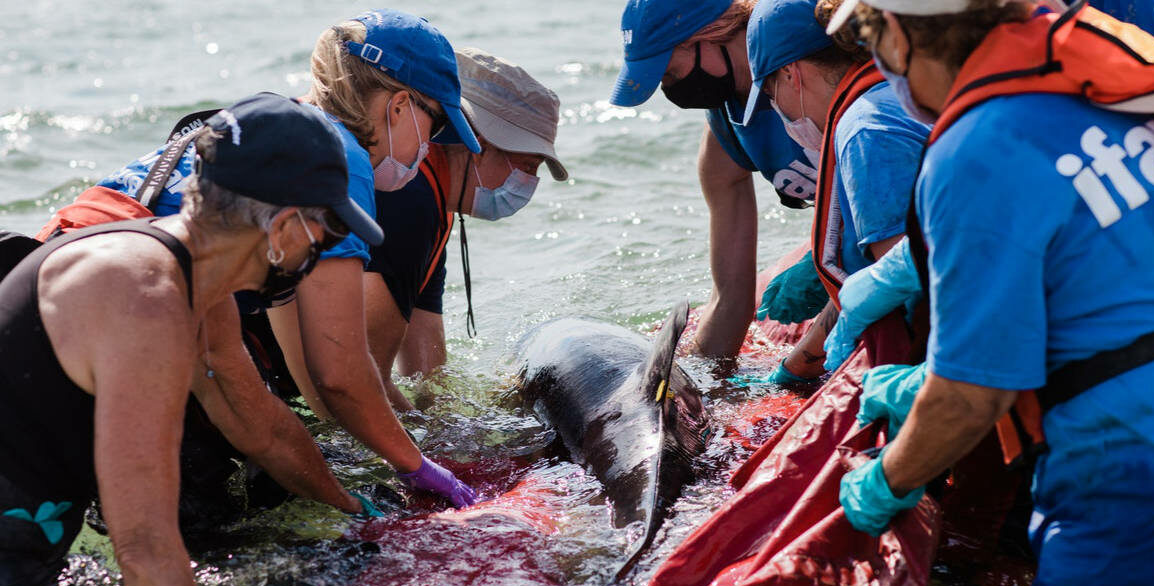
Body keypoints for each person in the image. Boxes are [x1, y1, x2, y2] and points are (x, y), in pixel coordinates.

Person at [826, 0, 1154, 586]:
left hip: (1142, 483)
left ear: (900, 31)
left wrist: (884, 483)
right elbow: (1122, 308)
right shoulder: (1100, 91)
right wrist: (922, 383)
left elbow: (971, 399)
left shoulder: (980, 146)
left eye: (865, 32)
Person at [0, 94, 383, 586]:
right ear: (284, 227)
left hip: (25, 536)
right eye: (329, 228)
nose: (328, 246)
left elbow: (258, 424)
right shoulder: (148, 300)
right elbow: (145, 546)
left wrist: (355, 507)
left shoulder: (190, 280)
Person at [94, 9, 480, 508]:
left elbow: (305, 377)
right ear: (401, 104)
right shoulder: (337, 163)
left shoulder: (275, 129)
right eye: (438, 122)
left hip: (63, 294)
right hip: (128, 323)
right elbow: (338, 375)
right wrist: (420, 465)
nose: (430, 146)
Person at [610, 0, 821, 360]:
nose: (668, 88)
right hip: (840, 235)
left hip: (915, 220)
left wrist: (833, 258)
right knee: (765, 316)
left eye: (668, 74)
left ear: (708, 35)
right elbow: (730, 297)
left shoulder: (818, 65)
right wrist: (707, 386)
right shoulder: (725, 139)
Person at [364, 47, 568, 404]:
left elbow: (425, 369)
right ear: (478, 144)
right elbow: (366, 383)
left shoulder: (436, 206)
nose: (528, 182)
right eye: (528, 165)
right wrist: (431, 455)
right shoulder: (411, 199)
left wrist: (441, 421)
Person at [745, 0, 929, 384]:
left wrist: (802, 366)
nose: (777, 108)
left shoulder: (866, 130)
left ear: (791, 74)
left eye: (771, 93)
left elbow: (911, 291)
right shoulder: (899, 90)